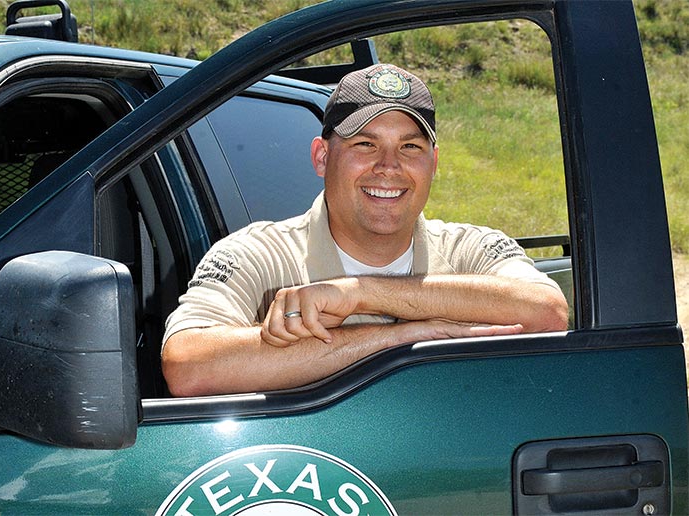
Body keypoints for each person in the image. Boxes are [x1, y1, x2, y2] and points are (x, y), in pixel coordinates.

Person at [162, 63, 568, 397]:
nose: (389, 166)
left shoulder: (473, 250)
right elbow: (188, 367)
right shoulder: (258, 255)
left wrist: (361, 294)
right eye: (365, 145)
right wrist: (396, 341)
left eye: (410, 147)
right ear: (322, 157)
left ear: (434, 163)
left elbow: (547, 312)